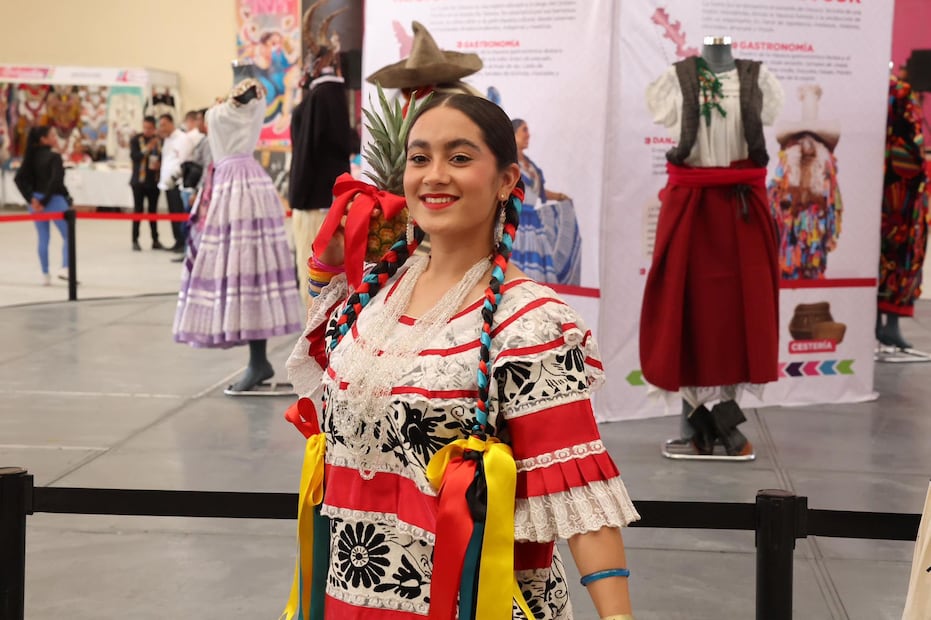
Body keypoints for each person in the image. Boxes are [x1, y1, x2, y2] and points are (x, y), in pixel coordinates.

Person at [283, 94, 638, 619]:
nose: (434, 175)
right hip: (347, 597)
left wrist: (618, 616)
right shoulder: (378, 296)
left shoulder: (530, 322)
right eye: (421, 158)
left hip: (468, 602)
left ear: (506, 180)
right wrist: (328, 264)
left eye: (460, 157)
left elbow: (576, 481)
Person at [642, 38, 784, 460]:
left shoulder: (759, 80)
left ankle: (717, 426)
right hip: (691, 208)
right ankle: (709, 427)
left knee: (740, 314)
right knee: (686, 310)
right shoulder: (674, 80)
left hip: (743, 210)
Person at [173, 77, 303, 395]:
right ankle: (257, 361)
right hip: (233, 186)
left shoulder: (248, 98)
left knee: (249, 270)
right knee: (237, 270)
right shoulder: (235, 104)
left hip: (239, 189)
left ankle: (258, 361)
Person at [288, 0, 353, 308]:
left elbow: (321, 146)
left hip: (319, 200)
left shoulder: (322, 95)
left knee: (321, 276)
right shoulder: (328, 94)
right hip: (321, 198)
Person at [511, 118, 581, 285]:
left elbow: (539, 192)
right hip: (515, 220)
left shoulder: (530, 165)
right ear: (513, 134)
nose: (528, 135)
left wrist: (560, 197)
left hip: (532, 222)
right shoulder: (508, 163)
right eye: (524, 130)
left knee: (536, 272)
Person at [13, 126, 72, 285]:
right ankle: (65, 268)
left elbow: (18, 179)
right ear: (43, 139)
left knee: (43, 237)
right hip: (54, 199)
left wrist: (31, 199)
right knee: (68, 234)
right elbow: (56, 182)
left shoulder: (30, 157)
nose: (55, 137)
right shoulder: (54, 157)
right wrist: (45, 201)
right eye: (52, 135)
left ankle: (45, 274)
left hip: (35, 201)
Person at [157, 113, 194, 253]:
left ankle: (182, 242)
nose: (161, 128)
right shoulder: (167, 139)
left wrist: (173, 178)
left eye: (164, 125)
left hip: (176, 183)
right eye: (160, 125)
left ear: (172, 123)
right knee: (172, 214)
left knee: (179, 213)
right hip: (166, 183)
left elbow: (183, 161)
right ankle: (176, 240)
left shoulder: (182, 138)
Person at [129, 116, 164, 251]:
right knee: (138, 210)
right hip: (138, 181)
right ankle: (135, 239)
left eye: (149, 128)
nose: (147, 130)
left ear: (154, 128)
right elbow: (135, 157)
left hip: (153, 181)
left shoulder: (160, 141)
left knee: (153, 211)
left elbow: (163, 156)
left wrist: (159, 164)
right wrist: (147, 148)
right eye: (144, 127)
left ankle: (155, 240)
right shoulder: (136, 140)